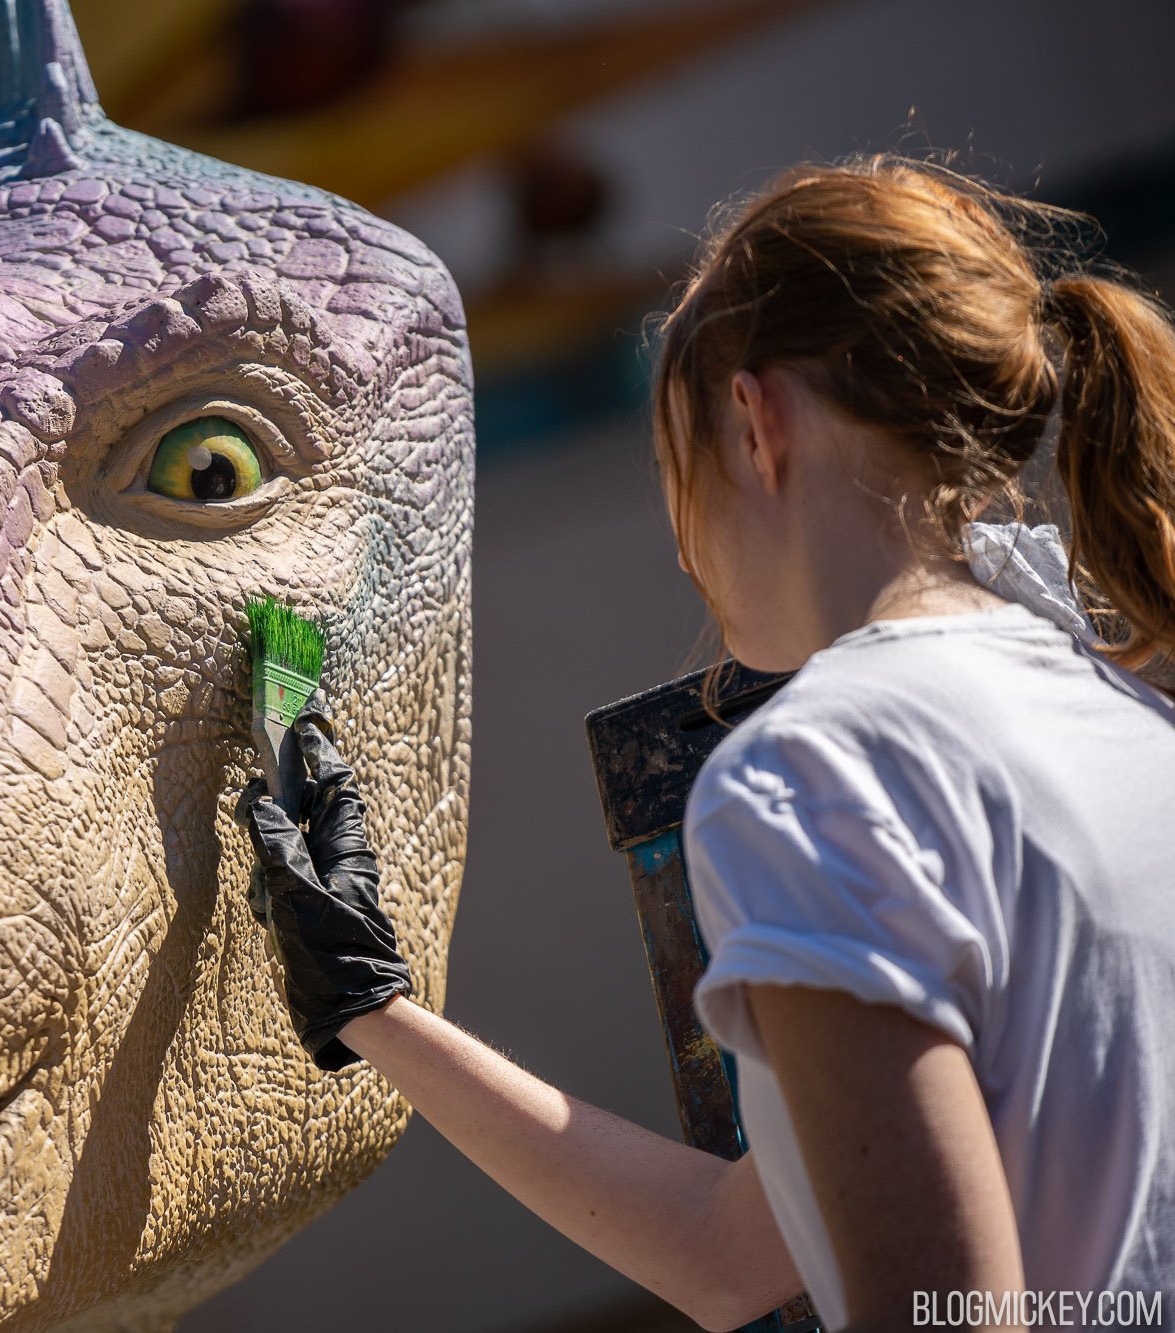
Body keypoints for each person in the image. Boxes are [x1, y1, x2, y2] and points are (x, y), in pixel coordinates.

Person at [237, 155, 1175, 1332]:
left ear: (752, 422)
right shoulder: (1127, 722)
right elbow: (733, 1251)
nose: (680, 541)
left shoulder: (810, 776)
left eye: (665, 461)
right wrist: (369, 1004)